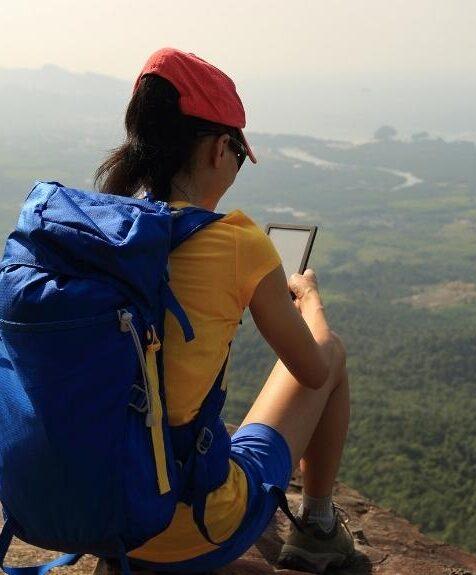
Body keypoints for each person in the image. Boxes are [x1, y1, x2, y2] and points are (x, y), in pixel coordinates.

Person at [92, 48, 354, 574]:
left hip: (101, 513)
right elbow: (313, 370)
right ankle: (318, 527)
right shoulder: (237, 241)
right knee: (330, 350)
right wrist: (311, 301)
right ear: (218, 149)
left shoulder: (96, 232)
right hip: (188, 528)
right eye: (237, 151)